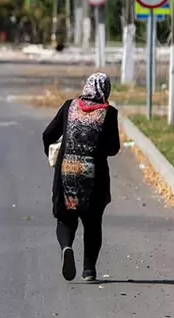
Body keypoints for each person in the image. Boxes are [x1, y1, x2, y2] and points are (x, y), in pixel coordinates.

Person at [42, 73, 121, 282]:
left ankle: (67, 246)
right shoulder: (109, 113)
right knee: (93, 222)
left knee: (66, 218)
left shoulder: (69, 106)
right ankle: (89, 270)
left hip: (66, 171)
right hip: (94, 176)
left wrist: (53, 156)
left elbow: (47, 134)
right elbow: (114, 149)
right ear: (106, 91)